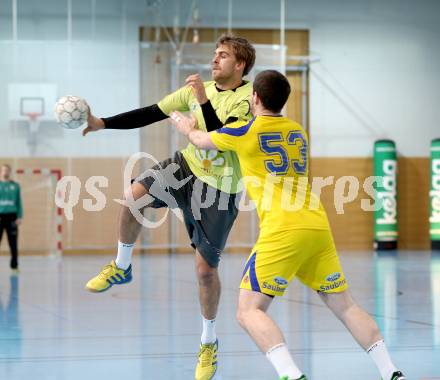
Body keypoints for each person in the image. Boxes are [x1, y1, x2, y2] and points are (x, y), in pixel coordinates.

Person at [170, 70, 406, 380]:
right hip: (316, 226)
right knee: (345, 305)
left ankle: (292, 375)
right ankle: (392, 372)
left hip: (283, 229)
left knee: (248, 311)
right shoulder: (298, 131)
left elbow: (202, 140)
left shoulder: (245, 131)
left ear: (254, 97)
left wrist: (187, 127)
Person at [83, 35, 256, 380]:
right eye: (215, 53)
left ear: (240, 65)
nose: (215, 59)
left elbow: (219, 140)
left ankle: (208, 342)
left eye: (223, 55)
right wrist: (103, 123)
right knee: (135, 196)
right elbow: (152, 112)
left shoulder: (246, 101)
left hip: (220, 188)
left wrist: (204, 102)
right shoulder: (195, 90)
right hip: (186, 166)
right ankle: (122, 265)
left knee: (205, 272)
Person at [0, 164, 23, 272]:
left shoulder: (15, 186)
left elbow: (19, 202)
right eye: (4, 170)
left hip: (12, 217)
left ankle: (14, 266)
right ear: (1, 171)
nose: (5, 172)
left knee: (13, 243)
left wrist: (19, 216)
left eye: (7, 170)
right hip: (0, 216)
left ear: (10, 172)